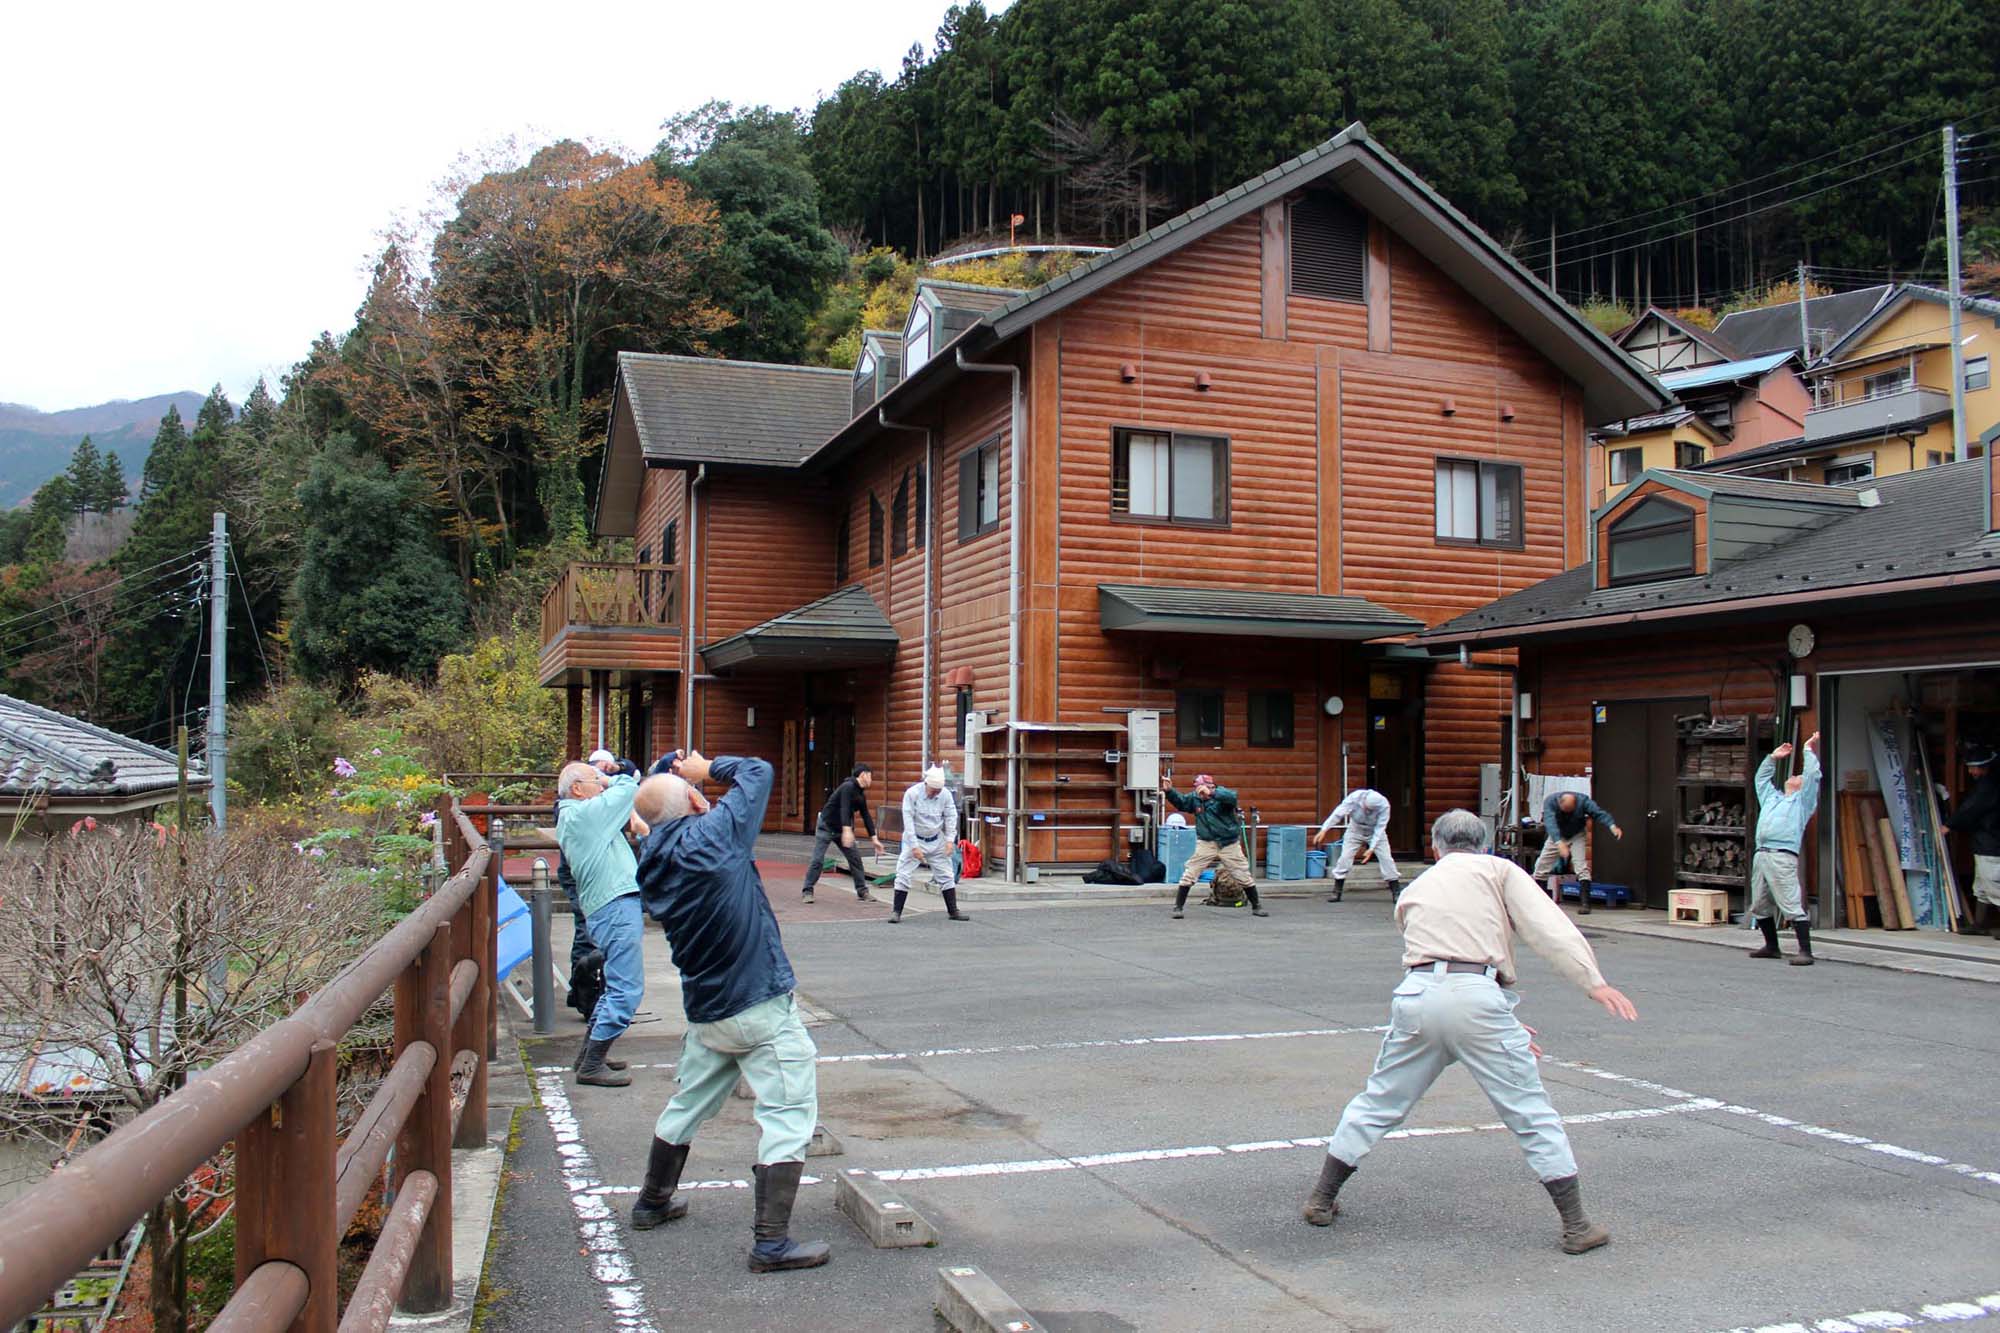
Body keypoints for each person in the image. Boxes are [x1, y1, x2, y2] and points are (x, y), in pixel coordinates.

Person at [1302, 809, 1639, 1254]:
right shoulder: (1499, 870)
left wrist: (1496, 1016)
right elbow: (1548, 928)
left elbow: (1439, 954)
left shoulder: (1416, 887)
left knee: (1379, 1101)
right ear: (1483, 844)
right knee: (1530, 1113)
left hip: (1418, 995)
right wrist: (1592, 982)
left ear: (1436, 846)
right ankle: (1577, 1226)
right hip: (1477, 995)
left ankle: (1321, 1198)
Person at [627, 751, 829, 1273]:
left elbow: (653, 812)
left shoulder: (650, 857)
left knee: (688, 1102)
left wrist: (673, 777)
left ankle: (652, 1201)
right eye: (698, 793)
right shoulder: (716, 835)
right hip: (757, 1002)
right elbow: (759, 770)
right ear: (696, 802)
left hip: (706, 1009)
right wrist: (706, 767)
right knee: (788, 1113)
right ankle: (771, 1243)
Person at [554, 760, 652, 1087]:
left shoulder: (577, 815)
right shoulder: (585, 815)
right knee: (626, 988)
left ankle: (588, 1055)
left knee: (614, 985)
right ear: (577, 789)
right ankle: (592, 1063)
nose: (600, 783)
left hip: (608, 906)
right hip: (615, 906)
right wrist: (611, 778)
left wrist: (600, 778)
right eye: (594, 780)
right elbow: (629, 786)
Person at [1747, 732, 1821, 965]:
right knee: (1759, 903)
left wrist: (1808, 750)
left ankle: (1805, 951)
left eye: (1798, 776)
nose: (1794, 776)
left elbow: (1813, 776)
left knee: (1790, 903)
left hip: (1782, 855)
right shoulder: (1772, 798)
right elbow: (1760, 779)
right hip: (1762, 853)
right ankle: (1771, 946)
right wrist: (1772, 757)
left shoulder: (1802, 802)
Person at [1162, 772, 1266, 920]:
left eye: (1201, 787)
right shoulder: (1195, 798)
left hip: (1228, 843)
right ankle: (1178, 907)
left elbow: (1232, 797)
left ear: (1211, 786)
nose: (1199, 791)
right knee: (1190, 873)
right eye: (1197, 787)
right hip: (1206, 842)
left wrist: (1212, 794)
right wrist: (1169, 791)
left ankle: (1256, 906)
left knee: (1242, 874)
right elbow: (1182, 802)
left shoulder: (1222, 795)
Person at [889, 766, 966, 924]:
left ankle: (953, 910)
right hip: (915, 837)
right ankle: (896, 911)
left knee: (946, 874)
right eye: (933, 790)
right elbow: (908, 821)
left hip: (936, 838)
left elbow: (951, 816)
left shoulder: (945, 794)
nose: (935, 793)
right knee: (903, 874)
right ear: (926, 784)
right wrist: (914, 846)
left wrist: (950, 840)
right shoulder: (912, 794)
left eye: (938, 790)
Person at [802, 763, 885, 903]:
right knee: (817, 860)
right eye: (870, 776)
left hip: (842, 830)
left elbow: (866, 816)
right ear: (863, 775)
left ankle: (862, 891)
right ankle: (807, 891)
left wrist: (874, 839)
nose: (871, 779)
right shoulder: (847, 787)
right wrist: (847, 830)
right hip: (826, 826)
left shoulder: (860, 794)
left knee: (855, 859)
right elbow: (844, 808)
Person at [1532, 789, 1622, 915]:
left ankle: (1585, 904)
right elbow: (1550, 822)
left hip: (1577, 834)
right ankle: (1543, 901)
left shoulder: (1583, 801)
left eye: (1571, 811)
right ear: (1560, 803)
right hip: (1556, 835)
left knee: (1581, 866)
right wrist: (1559, 843)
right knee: (1541, 867)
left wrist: (1612, 826)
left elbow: (1599, 813)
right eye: (1565, 810)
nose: (1568, 813)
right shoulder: (1551, 802)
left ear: (1575, 804)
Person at [1946, 744, 2000, 938]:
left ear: (1984, 767)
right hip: (1986, 840)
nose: (1970, 772)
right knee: (1981, 887)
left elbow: (1971, 809)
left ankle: (1980, 924)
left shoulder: (1989, 786)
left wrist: (1950, 824)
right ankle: (1979, 924)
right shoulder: (1988, 783)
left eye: (1972, 767)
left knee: (1993, 884)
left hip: (1991, 842)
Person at [1312, 788, 1400, 903]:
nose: (1368, 811)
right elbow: (1338, 813)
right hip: (1355, 829)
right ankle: (1337, 891)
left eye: (1371, 810)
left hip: (1374, 831)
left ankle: (1396, 891)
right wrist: (1324, 829)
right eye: (1366, 808)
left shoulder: (1384, 806)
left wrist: (1371, 848)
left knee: (1386, 859)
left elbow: (1380, 828)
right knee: (1345, 858)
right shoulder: (1354, 797)